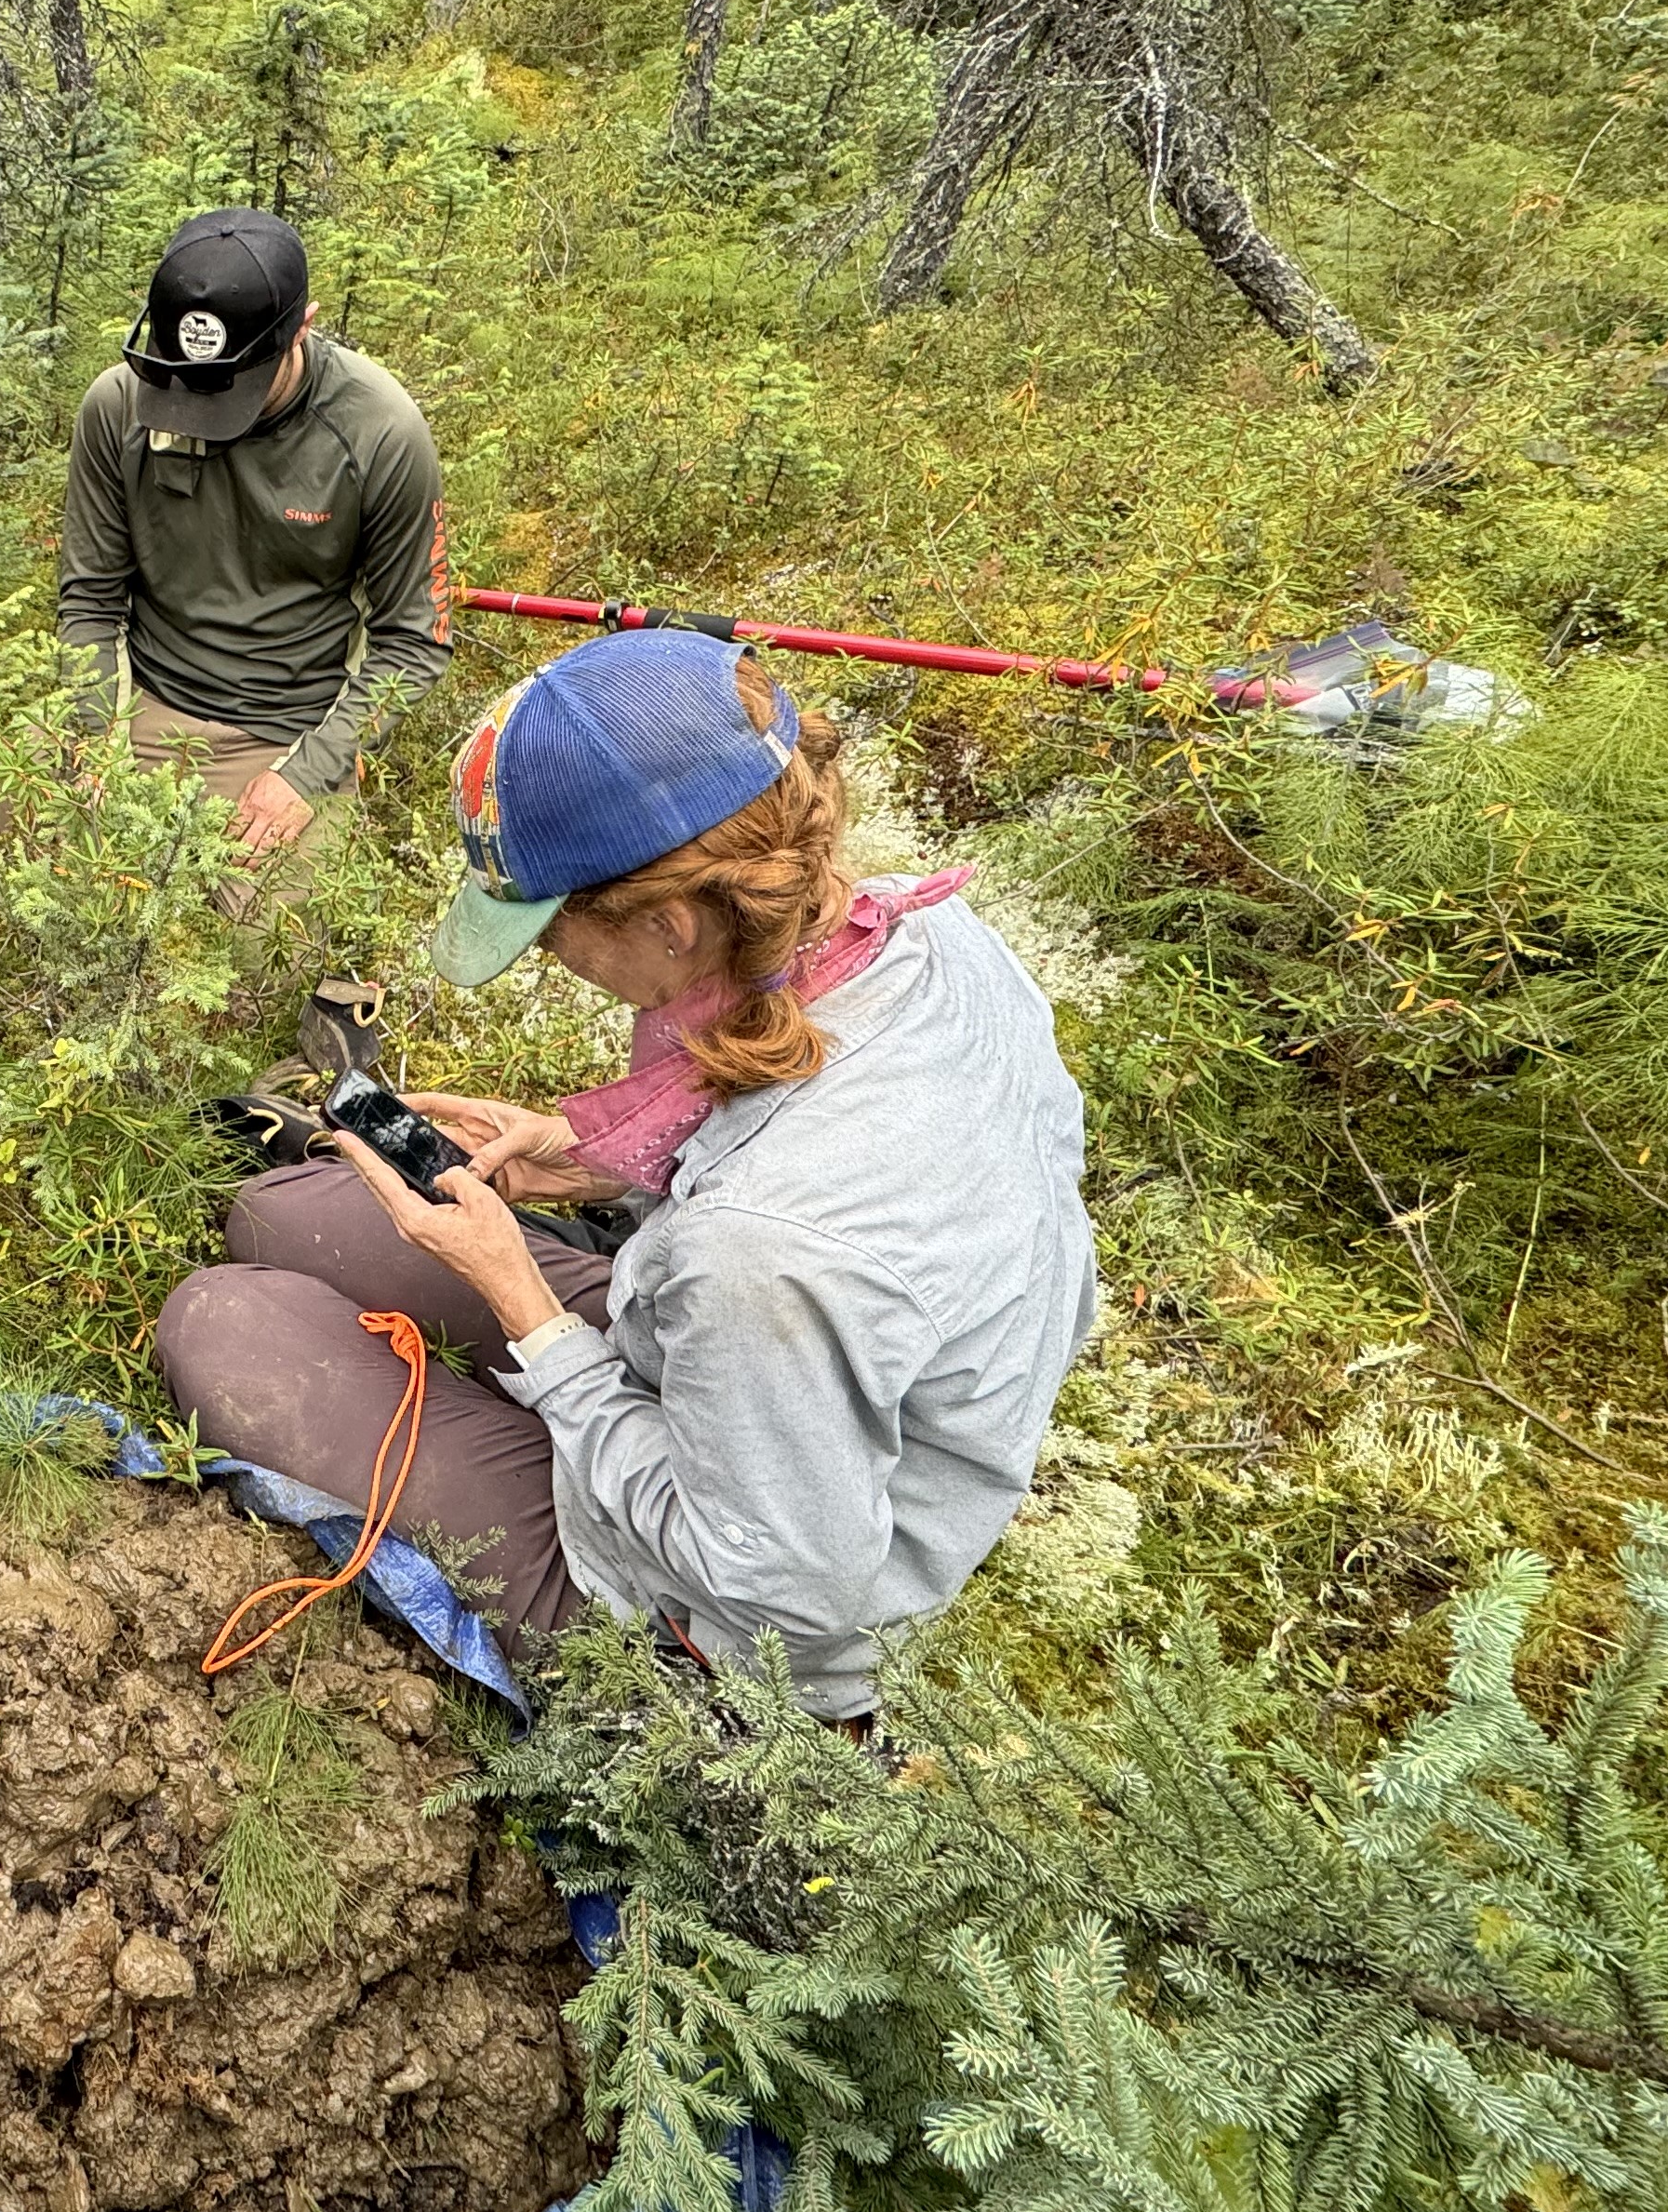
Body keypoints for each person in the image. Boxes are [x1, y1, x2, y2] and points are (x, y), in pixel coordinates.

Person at [154, 631, 1099, 1721]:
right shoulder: (924, 936)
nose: (551, 957)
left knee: (221, 1323)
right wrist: (589, 1155)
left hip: (715, 1619)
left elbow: (787, 1593)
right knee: (285, 1211)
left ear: (670, 923)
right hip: (754, 1375)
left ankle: (611, 1659)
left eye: (552, 930)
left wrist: (526, 1306)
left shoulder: (759, 1256)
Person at [58, 207, 452, 853]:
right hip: (138, 703)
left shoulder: (380, 433)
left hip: (285, 733)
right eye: (179, 381)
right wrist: (92, 724)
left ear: (303, 327)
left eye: (228, 388)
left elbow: (414, 642)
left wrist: (307, 774)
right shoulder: (118, 404)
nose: (198, 406)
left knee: (273, 946)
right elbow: (90, 598)